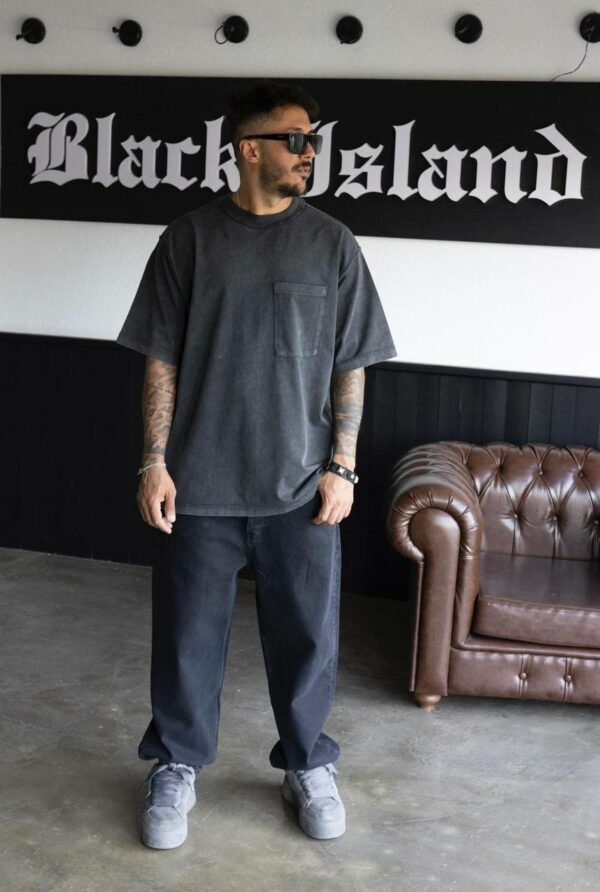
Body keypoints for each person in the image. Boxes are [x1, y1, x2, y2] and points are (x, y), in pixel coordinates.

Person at [115, 78, 397, 849]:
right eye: (295, 139)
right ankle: (176, 764)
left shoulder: (332, 244)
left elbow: (351, 363)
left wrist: (343, 467)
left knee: (308, 639)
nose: (309, 153)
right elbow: (161, 359)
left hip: (301, 488)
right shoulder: (188, 241)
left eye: (313, 140)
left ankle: (308, 763)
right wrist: (153, 461)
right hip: (199, 485)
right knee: (187, 642)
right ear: (248, 148)